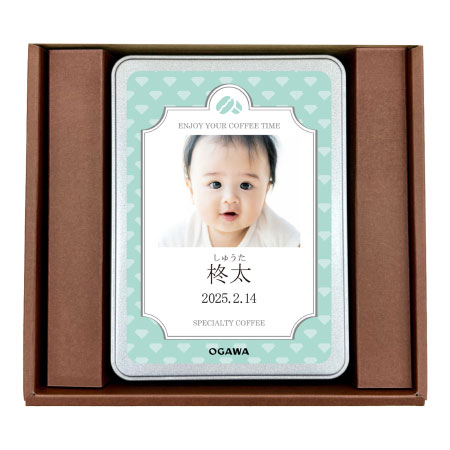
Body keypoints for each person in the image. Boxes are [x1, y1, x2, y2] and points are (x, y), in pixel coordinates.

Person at [158, 135, 301, 247]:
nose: (230, 198)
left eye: (245, 185)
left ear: (265, 193)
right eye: (215, 184)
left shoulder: (280, 237)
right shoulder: (177, 240)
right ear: (192, 191)